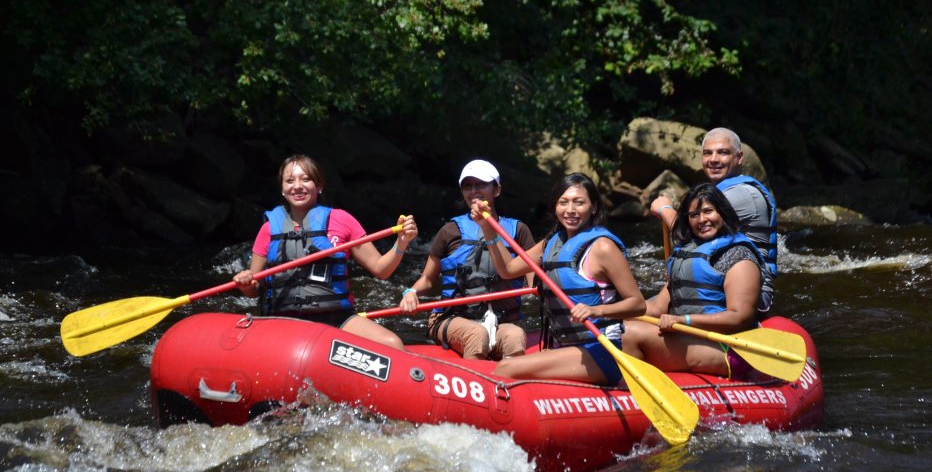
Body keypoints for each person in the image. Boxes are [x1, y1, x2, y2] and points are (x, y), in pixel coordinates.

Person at [470, 173, 646, 385]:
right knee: (510, 365)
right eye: (563, 203)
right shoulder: (551, 244)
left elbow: (638, 304)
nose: (570, 210)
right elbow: (508, 270)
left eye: (579, 203)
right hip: (567, 347)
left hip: (602, 351)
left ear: (594, 207)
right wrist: (486, 226)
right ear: (555, 207)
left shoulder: (603, 247)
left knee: (506, 368)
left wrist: (596, 310)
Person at [232, 154, 417, 351]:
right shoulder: (269, 230)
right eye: (290, 180)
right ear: (283, 190)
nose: (297, 186)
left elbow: (382, 270)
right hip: (281, 321)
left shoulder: (341, 220)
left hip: (335, 319)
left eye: (306, 179)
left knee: (392, 344)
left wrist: (402, 242)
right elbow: (254, 289)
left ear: (319, 186)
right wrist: (245, 284)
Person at [624, 183, 767, 377]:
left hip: (729, 347)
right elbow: (658, 308)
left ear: (722, 213)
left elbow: (739, 318)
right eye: (694, 215)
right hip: (690, 337)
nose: (702, 220)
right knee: (618, 327)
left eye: (708, 211)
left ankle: (627, 391)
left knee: (628, 334)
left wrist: (684, 320)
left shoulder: (739, 256)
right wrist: (610, 312)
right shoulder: (688, 254)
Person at [399, 159, 536, 359]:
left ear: (496, 190)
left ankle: (509, 385)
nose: (473, 192)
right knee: (476, 334)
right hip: (453, 318)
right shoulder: (450, 231)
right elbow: (428, 280)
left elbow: (535, 283)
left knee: (515, 336)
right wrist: (410, 292)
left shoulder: (519, 232)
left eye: (481, 185)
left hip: (502, 320)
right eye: (468, 186)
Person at [650, 127, 778, 315]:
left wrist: (665, 209)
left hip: (749, 293)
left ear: (739, 157)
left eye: (723, 152)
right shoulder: (716, 194)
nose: (714, 159)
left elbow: (684, 231)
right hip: (716, 276)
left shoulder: (743, 194)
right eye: (708, 153)